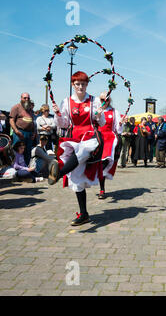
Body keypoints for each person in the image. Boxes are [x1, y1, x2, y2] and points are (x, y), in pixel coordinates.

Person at [48, 71, 106, 226]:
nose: (80, 86)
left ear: (87, 85)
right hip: (74, 138)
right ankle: (84, 214)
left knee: (81, 151)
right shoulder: (66, 102)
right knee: (76, 180)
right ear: (73, 85)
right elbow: (63, 124)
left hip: (91, 138)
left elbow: (101, 124)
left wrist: (99, 115)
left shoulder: (94, 101)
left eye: (83, 84)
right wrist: (58, 114)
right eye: (77, 84)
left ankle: (59, 173)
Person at [97, 92, 124, 199]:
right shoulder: (96, 110)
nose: (104, 102)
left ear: (109, 100)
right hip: (97, 138)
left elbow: (117, 129)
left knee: (104, 162)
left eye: (106, 100)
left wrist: (120, 124)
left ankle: (102, 189)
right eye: (102, 99)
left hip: (108, 139)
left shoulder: (114, 112)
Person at [10, 93, 36, 165]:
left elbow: (32, 121)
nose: (26, 99)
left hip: (29, 134)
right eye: (25, 98)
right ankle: (15, 168)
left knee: (27, 152)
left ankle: (26, 169)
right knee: (17, 151)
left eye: (28, 98)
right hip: (19, 133)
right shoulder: (16, 107)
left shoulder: (30, 109)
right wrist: (16, 131)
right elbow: (11, 120)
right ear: (21, 98)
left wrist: (34, 133)